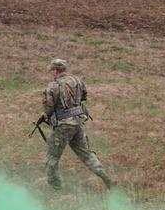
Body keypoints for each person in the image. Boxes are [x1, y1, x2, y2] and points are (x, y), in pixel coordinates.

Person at [42, 58, 112, 190]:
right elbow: (84, 97)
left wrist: (47, 115)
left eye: (52, 70)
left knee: (52, 156)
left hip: (63, 126)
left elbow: (49, 109)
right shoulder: (77, 81)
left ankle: (55, 187)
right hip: (78, 123)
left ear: (55, 70)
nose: (52, 73)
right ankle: (104, 176)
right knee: (87, 154)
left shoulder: (53, 86)